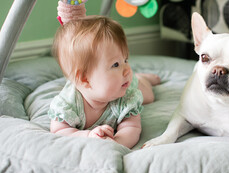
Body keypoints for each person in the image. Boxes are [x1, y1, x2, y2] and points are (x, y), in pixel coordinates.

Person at [48, 15, 160, 149]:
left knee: (148, 96)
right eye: (115, 65)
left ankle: (143, 78)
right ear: (85, 79)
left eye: (126, 60)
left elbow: (132, 127)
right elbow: (59, 131)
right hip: (115, 84)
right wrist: (88, 136)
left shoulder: (126, 97)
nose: (126, 69)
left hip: (126, 85)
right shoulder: (68, 104)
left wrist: (117, 142)